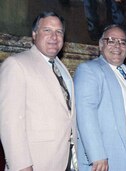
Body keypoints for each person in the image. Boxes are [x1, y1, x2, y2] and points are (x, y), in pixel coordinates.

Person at [0, 11, 77, 171]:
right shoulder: (16, 64)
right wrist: (21, 165)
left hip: (64, 159)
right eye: (47, 30)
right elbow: (9, 122)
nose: (54, 37)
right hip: (36, 162)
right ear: (34, 34)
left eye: (59, 32)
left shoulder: (61, 68)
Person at [74, 24, 126, 171]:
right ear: (100, 45)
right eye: (111, 40)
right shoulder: (89, 70)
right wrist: (97, 154)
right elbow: (85, 114)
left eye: (123, 42)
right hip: (109, 154)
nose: (118, 46)